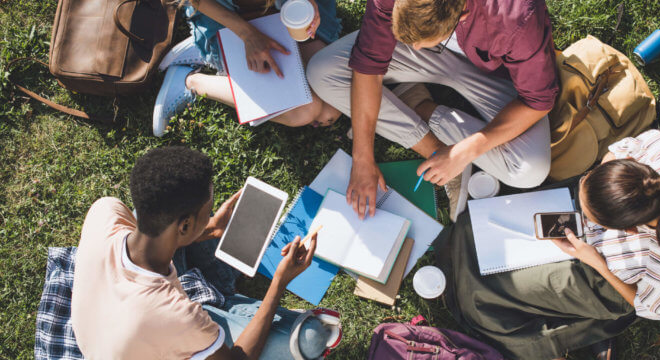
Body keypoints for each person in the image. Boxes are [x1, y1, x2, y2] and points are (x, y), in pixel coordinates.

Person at [436, 130, 660, 360]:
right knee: (476, 229)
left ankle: (572, 334)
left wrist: (595, 261)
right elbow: (618, 151)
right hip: (588, 231)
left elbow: (653, 308)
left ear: (629, 230)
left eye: (591, 215)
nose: (586, 219)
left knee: (487, 298)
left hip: (602, 277)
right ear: (628, 166)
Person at [71, 146, 339, 359]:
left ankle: (225, 294)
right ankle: (228, 300)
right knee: (311, 338)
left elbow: (166, 231)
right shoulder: (176, 315)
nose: (210, 214)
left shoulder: (104, 211)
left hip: (115, 323)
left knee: (149, 214)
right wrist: (280, 282)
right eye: (206, 211)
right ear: (185, 226)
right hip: (154, 327)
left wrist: (209, 227)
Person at [306, 0, 559, 221]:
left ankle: (420, 107)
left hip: (496, 73)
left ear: (461, 16)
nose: (413, 47)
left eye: (418, 42)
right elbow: (369, 63)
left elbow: (537, 101)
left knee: (529, 170)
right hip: (440, 49)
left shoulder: (516, 15)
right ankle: (433, 148)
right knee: (322, 72)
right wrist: (362, 158)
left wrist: (462, 152)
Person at [153, 0, 343, 137]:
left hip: (285, 9)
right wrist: (249, 36)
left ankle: (211, 53)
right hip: (231, 17)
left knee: (330, 109)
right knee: (304, 112)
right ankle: (191, 80)